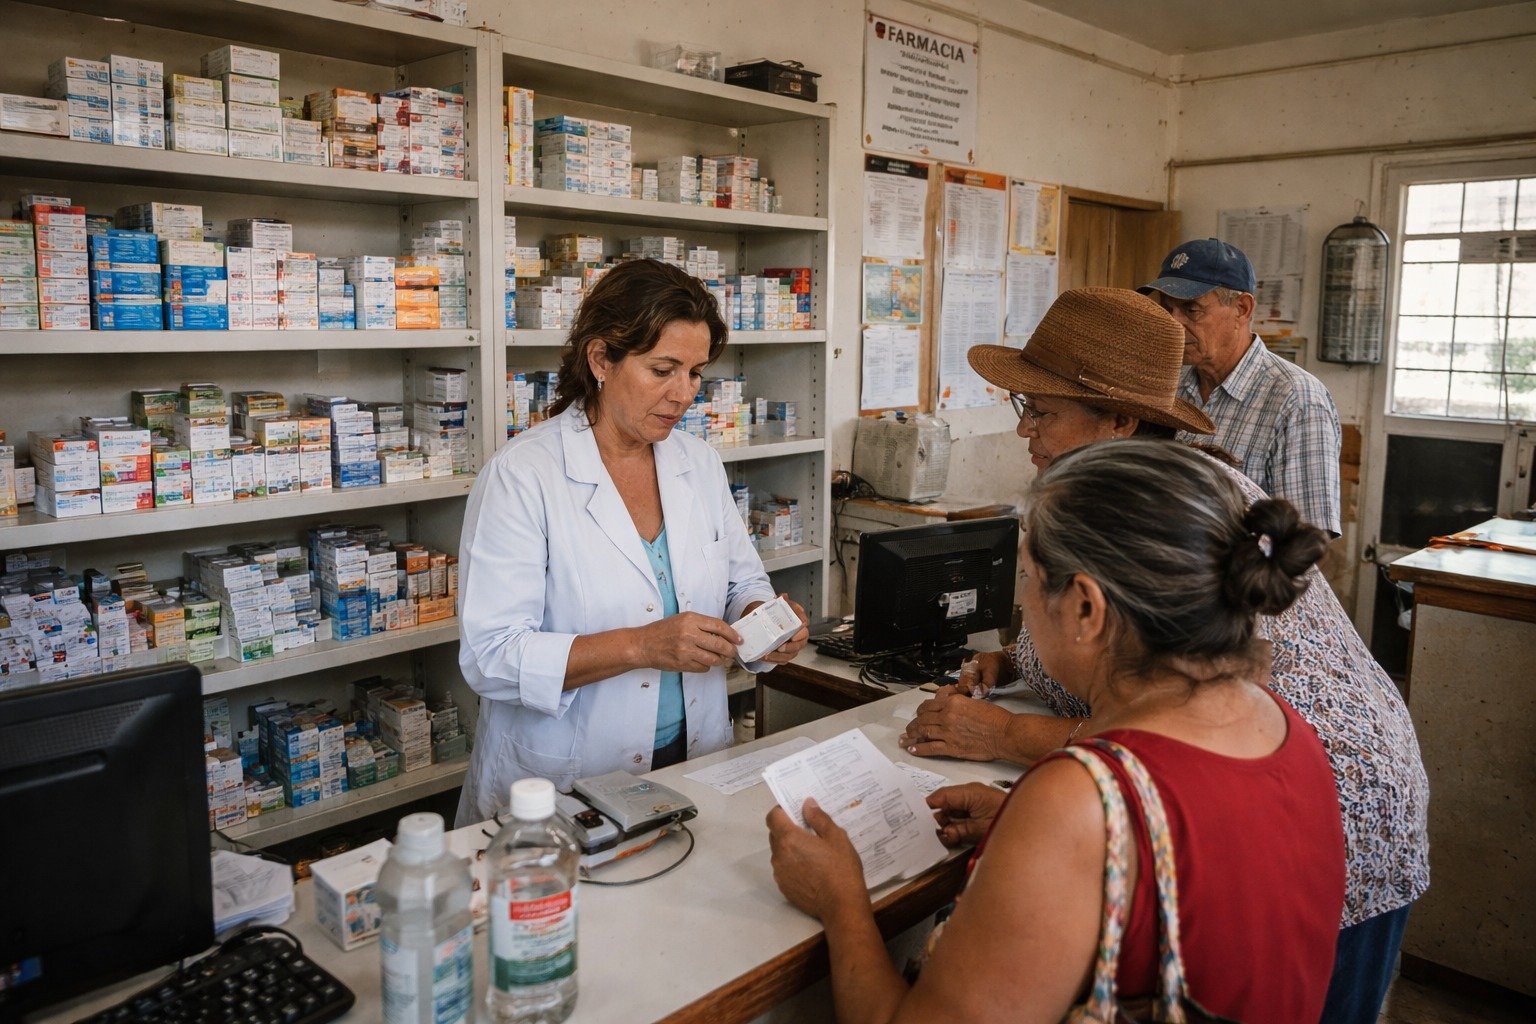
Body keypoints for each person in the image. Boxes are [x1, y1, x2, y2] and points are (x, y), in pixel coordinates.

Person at [899, 286, 1428, 1024]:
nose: (1025, 430)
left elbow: (1184, 715)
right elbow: (1146, 644)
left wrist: (1007, 737)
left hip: (1333, 807)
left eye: (1042, 410)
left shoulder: (1180, 504)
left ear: (1118, 419)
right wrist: (1021, 660)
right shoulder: (1120, 497)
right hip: (1238, 807)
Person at [768, 440, 1347, 1024]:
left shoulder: (1081, 801)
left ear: (1086, 609)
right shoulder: (1285, 729)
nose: (1022, 602)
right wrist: (1026, 830)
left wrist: (841, 901)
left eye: (1029, 578)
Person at [455, 258, 808, 826]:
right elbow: (491, 657)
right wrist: (640, 646)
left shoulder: (698, 462)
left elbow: (742, 578)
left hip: (693, 756)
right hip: (568, 778)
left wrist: (760, 618)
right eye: (663, 369)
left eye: (695, 373)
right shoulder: (523, 476)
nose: (683, 394)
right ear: (600, 359)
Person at [1139, 237, 1343, 537]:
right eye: (1167, 308)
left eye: (1191, 309)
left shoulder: (1296, 399)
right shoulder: (1170, 385)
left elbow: (1307, 542)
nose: (1173, 323)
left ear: (1242, 309)